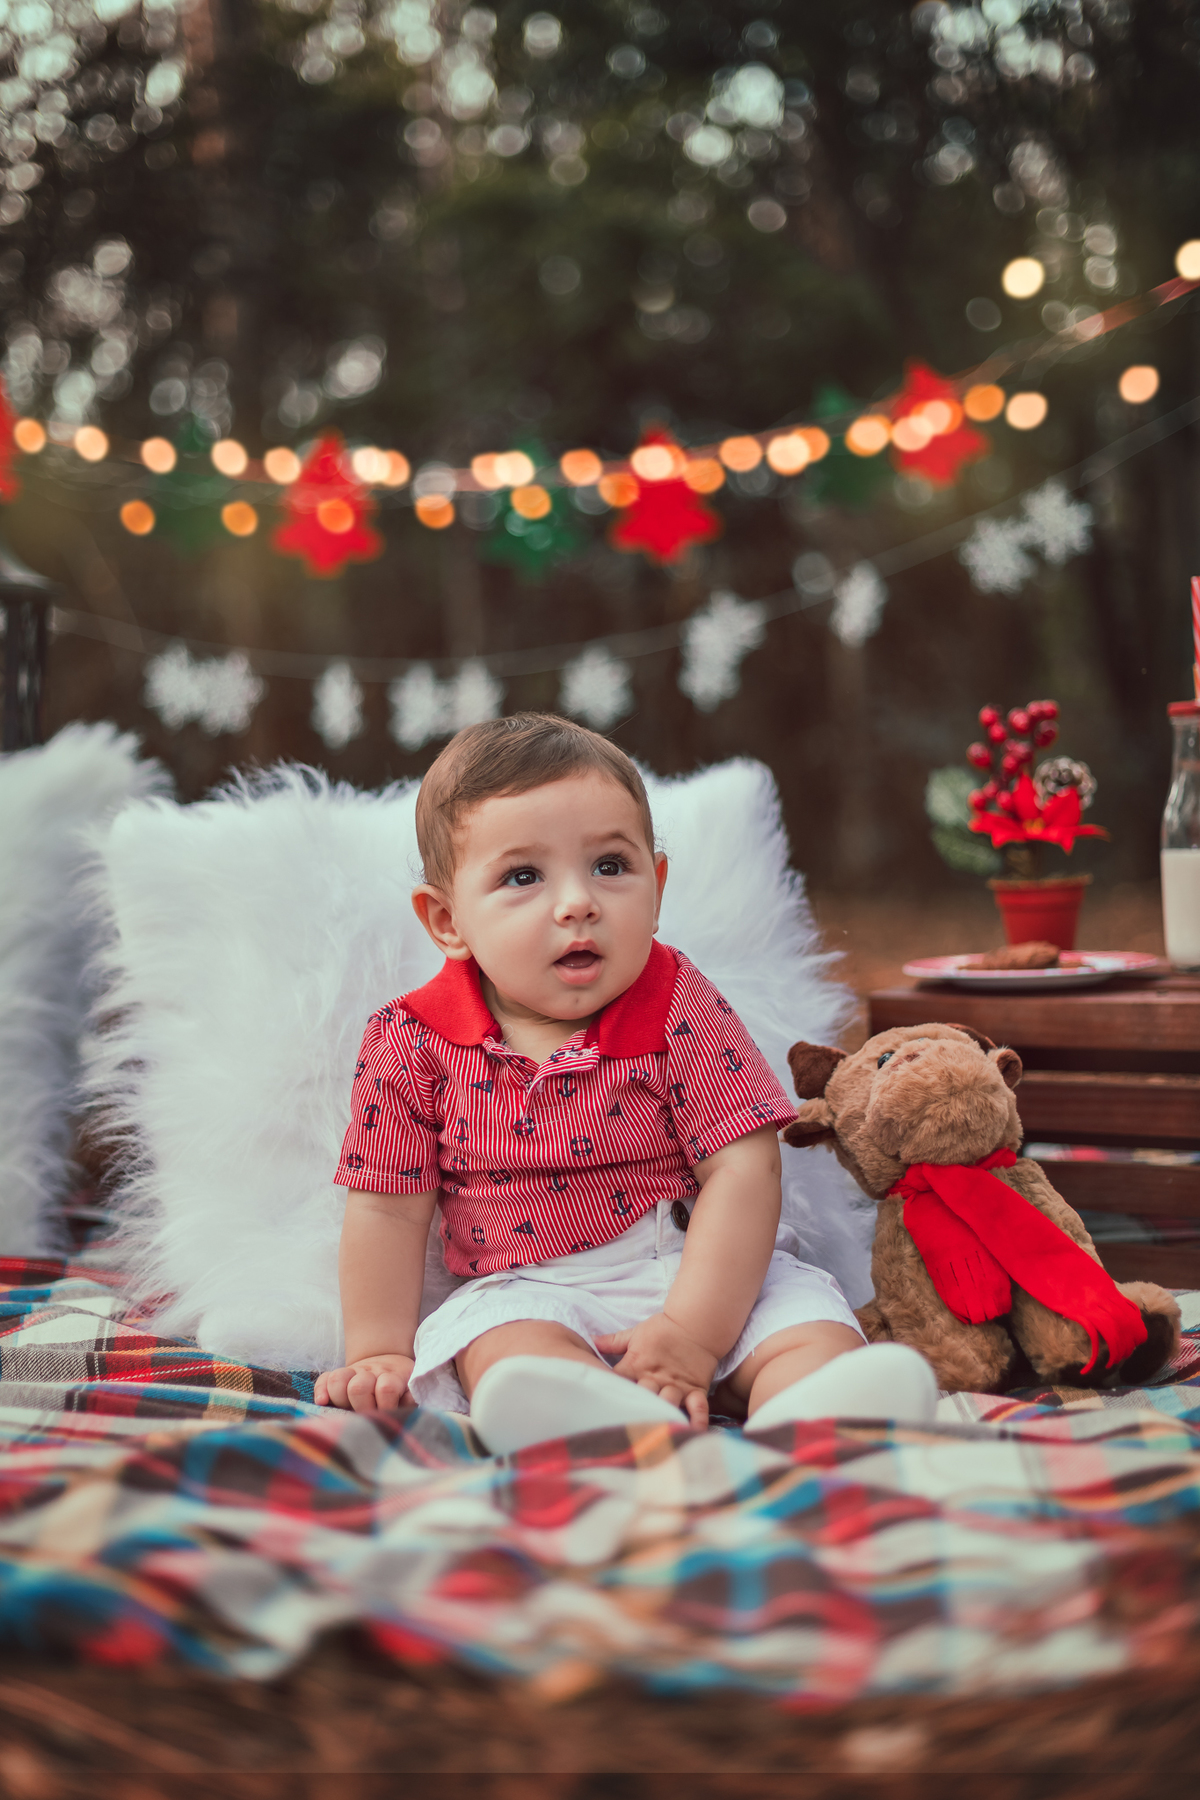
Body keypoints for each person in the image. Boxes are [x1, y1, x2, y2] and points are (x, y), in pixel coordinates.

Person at [316, 714, 935, 1451]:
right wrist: (378, 1348)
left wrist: (693, 1335)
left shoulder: (677, 1000)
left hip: (701, 1264)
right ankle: (591, 1417)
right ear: (447, 921)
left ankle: (819, 1413)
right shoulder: (412, 1041)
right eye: (523, 876)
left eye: (610, 866)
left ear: (657, 883)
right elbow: (387, 1210)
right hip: (532, 1284)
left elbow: (744, 1168)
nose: (578, 902)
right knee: (504, 1348)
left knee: (802, 1324)